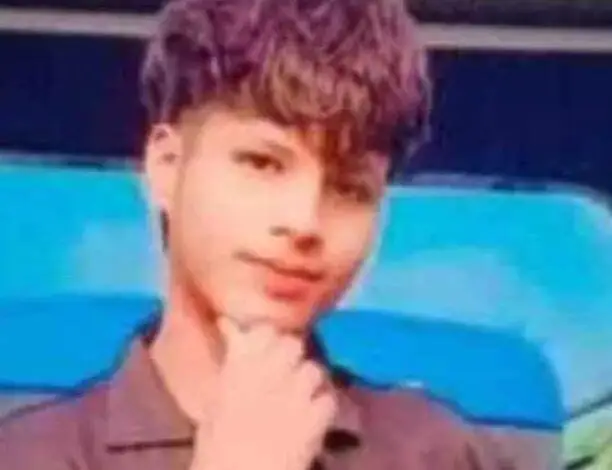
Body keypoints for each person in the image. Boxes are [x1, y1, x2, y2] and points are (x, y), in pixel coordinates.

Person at [0, 0, 511, 468]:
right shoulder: (29, 456)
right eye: (262, 163)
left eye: (349, 189)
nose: (305, 222)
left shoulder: (435, 452)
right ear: (167, 165)